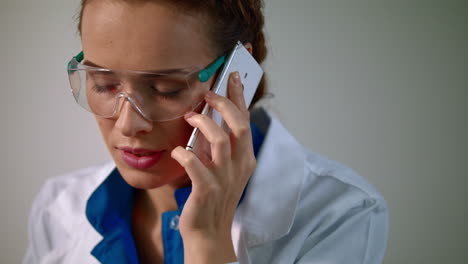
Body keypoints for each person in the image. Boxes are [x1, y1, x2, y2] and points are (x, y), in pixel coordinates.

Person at [23, 0, 389, 263]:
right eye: (103, 84)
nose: (128, 124)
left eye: (166, 89)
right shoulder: (59, 208)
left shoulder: (339, 212)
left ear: (237, 75)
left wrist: (208, 244)